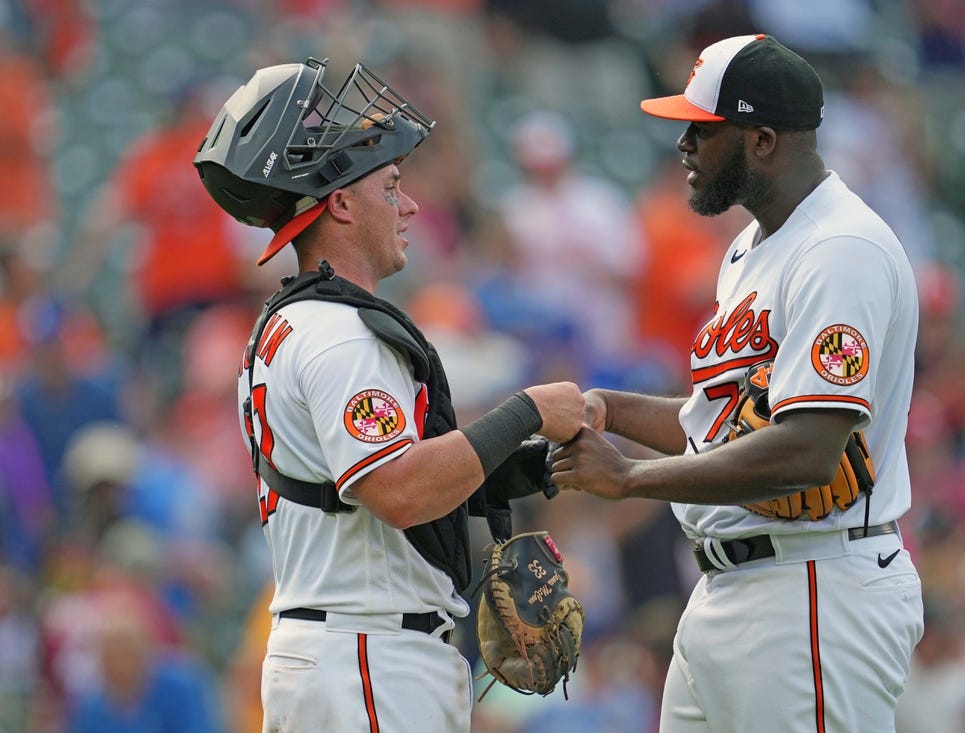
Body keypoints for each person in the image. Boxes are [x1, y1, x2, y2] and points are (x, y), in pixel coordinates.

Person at [193, 59, 584, 732]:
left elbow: (365, 483)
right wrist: (525, 410)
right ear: (341, 202)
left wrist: (528, 466)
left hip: (344, 647)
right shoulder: (343, 334)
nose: (409, 206)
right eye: (392, 186)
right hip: (367, 656)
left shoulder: (293, 321)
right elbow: (398, 490)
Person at [551, 34, 925, 731]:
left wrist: (630, 477)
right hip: (734, 586)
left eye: (703, 128)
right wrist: (609, 408)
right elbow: (715, 425)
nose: (685, 145)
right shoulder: (751, 248)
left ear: (760, 140)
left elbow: (806, 450)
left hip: (813, 589)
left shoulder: (839, 249)